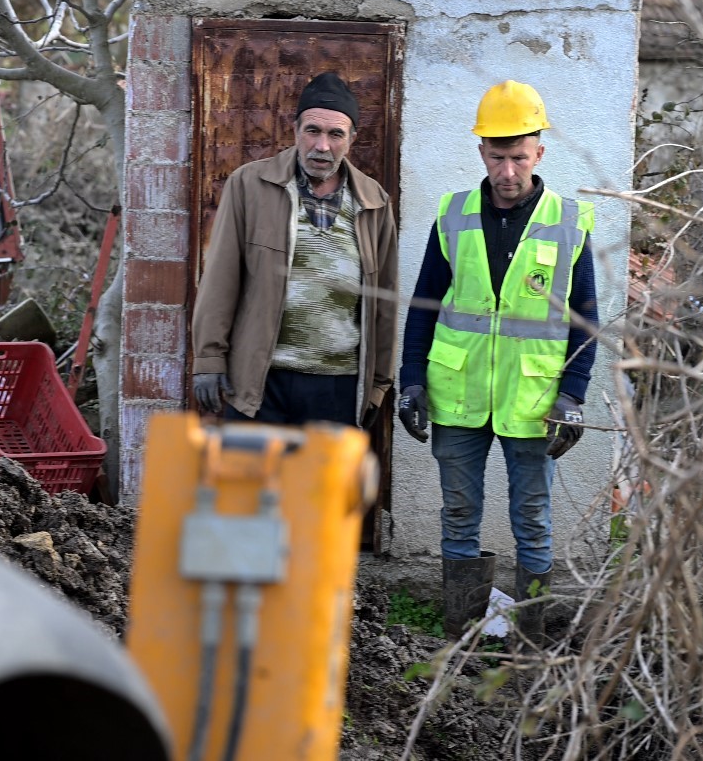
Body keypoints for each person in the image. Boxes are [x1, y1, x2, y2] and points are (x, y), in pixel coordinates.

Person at [397, 80, 598, 644]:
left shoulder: (569, 221)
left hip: (533, 403)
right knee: (459, 516)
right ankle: (458, 639)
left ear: (539, 152)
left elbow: (587, 319)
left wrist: (572, 397)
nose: (507, 172)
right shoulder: (453, 214)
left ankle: (528, 647)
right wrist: (412, 382)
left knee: (532, 524)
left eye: (518, 157)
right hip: (456, 393)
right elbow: (423, 309)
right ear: (480, 151)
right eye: (496, 156)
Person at [191, 72, 398, 431]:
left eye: (336, 134)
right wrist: (209, 358)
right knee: (252, 487)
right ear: (295, 130)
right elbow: (221, 278)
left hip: (337, 386)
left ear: (352, 139)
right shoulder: (250, 184)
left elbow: (385, 303)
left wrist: (379, 384)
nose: (322, 146)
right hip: (261, 381)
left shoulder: (374, 201)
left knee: (321, 490)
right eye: (313, 131)